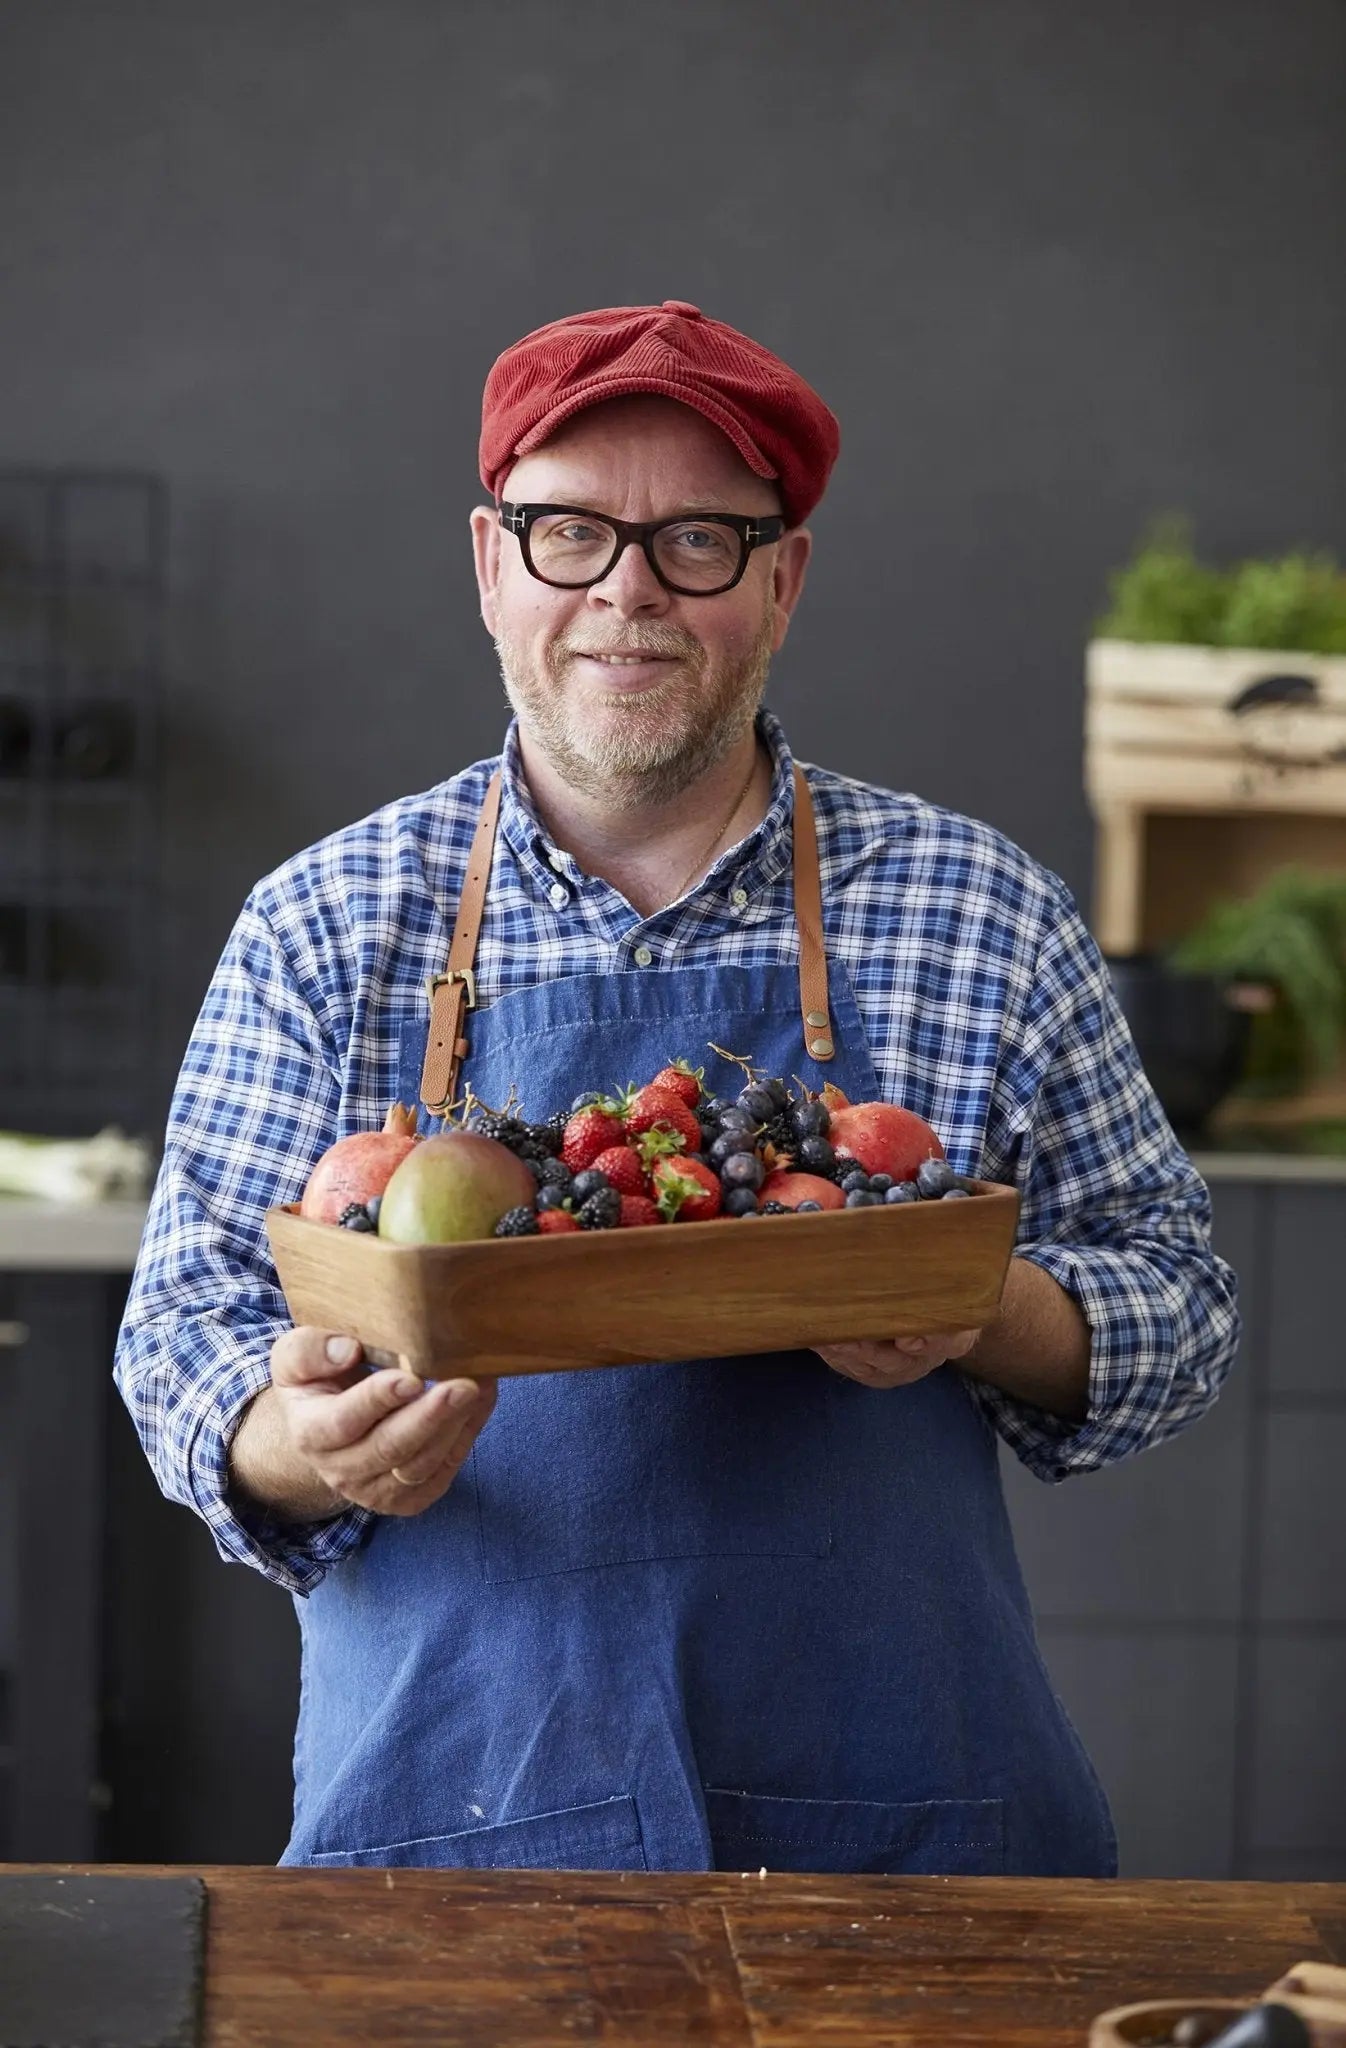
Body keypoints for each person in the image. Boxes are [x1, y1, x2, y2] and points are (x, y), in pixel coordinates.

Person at [115, 300, 1239, 1878]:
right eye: (568, 531)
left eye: (699, 540)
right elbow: (181, 1334)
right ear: (491, 563)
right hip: (458, 1837)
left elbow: (1175, 1305)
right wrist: (302, 1444)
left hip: (904, 1842)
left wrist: (970, 1298)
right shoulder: (329, 923)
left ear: (784, 579)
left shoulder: (977, 910)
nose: (627, 590)